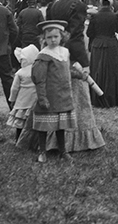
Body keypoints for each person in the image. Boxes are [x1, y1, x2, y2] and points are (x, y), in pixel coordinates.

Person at [45, 0, 105, 151]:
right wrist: (85, 63)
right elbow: (76, 37)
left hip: (53, 54)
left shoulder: (52, 5)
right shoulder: (78, 5)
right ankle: (76, 138)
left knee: (54, 95)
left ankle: (48, 137)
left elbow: (49, 32)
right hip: (71, 57)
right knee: (76, 96)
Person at [32, 20, 77, 163]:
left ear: (61, 37)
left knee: (60, 125)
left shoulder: (64, 52)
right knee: (44, 126)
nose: (52, 40)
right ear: (44, 39)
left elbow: (66, 71)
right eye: (49, 37)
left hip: (62, 95)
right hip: (49, 95)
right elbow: (39, 79)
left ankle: (63, 151)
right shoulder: (43, 55)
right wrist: (42, 98)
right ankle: (42, 151)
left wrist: (79, 74)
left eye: (55, 37)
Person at [87, 0, 118, 107]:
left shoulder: (95, 16)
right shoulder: (115, 16)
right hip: (111, 45)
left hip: (98, 45)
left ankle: (97, 96)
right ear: (111, 4)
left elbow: (89, 33)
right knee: (113, 71)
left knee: (97, 69)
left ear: (101, 3)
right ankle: (114, 97)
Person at [6, 44, 39, 141]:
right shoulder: (39, 70)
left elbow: (14, 89)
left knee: (20, 122)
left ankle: (18, 139)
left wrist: (12, 99)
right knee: (33, 122)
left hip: (22, 102)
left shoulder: (20, 73)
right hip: (35, 102)